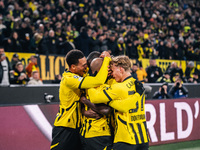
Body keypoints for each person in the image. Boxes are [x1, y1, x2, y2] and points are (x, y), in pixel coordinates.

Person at [50, 50, 111, 150]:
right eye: (83, 65)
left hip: (78, 128)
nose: (86, 67)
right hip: (65, 127)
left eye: (86, 64)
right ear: (73, 67)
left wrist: (101, 57)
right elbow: (98, 80)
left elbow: (94, 64)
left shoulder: (81, 72)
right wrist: (107, 59)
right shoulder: (69, 79)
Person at [87, 55, 149, 150]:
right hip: (142, 137)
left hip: (126, 139)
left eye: (113, 70)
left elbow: (94, 98)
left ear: (121, 69)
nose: (112, 74)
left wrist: (89, 81)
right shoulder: (138, 85)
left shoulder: (119, 87)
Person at [80, 58, 113, 150]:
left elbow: (80, 100)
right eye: (107, 68)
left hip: (85, 133)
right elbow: (106, 110)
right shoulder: (105, 87)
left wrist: (85, 104)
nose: (109, 70)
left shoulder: (85, 83)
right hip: (100, 134)